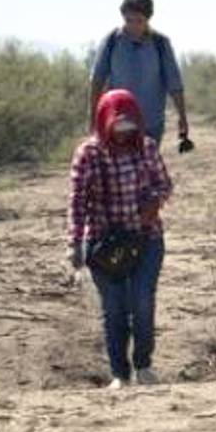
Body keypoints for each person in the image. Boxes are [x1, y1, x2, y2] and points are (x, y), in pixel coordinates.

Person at [67, 90, 174, 389]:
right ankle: (119, 373)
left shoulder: (147, 148)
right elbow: (76, 201)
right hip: (103, 244)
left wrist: (153, 201)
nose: (125, 133)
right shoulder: (88, 154)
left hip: (146, 240)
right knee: (114, 308)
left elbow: (164, 183)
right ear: (104, 121)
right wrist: (74, 244)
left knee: (141, 301)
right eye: (118, 125)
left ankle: (143, 365)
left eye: (130, 125)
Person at [90, 0, 190, 149]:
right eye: (129, 20)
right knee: (121, 168)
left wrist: (182, 117)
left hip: (151, 122)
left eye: (139, 21)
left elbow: (174, 84)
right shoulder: (112, 41)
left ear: (147, 19)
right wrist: (94, 119)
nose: (133, 25)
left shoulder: (160, 43)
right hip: (118, 121)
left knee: (147, 168)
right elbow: (97, 80)